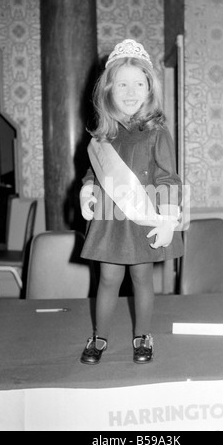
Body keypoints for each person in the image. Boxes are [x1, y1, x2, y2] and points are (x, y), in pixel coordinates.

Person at [80, 39, 184, 365]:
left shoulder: (158, 133)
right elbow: (94, 173)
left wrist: (167, 220)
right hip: (111, 219)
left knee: (142, 278)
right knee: (108, 279)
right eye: (122, 84)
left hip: (143, 219)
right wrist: (86, 191)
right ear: (108, 89)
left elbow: (168, 178)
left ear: (149, 88)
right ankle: (99, 336)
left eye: (138, 83)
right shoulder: (102, 136)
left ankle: (143, 335)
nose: (130, 91)